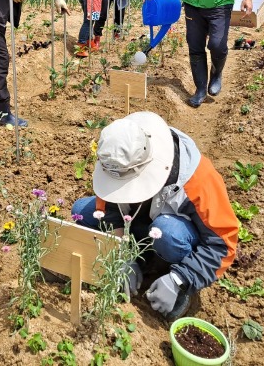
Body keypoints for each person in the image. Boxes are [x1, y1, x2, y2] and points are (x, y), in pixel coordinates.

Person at [71, 111, 238, 320]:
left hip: (173, 236)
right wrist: (122, 255)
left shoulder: (198, 178)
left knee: (168, 234)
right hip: (138, 224)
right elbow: (110, 208)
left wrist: (180, 278)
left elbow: (222, 244)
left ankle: (173, 279)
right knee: (81, 212)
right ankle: (140, 259)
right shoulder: (116, 160)